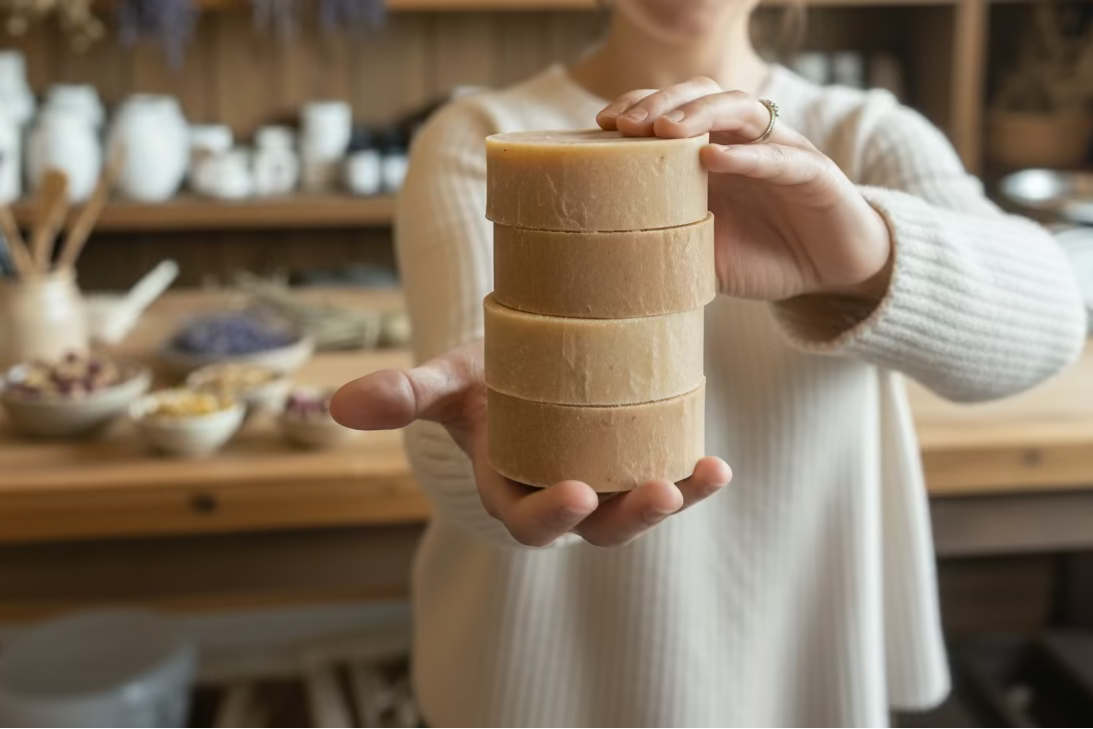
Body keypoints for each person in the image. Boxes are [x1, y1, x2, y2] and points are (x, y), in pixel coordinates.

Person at [331, 0, 1087, 726]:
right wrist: (497, 435)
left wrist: (866, 258)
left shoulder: (864, 134)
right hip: (541, 673)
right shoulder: (477, 135)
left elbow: (1046, 324)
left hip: (800, 653)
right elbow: (459, 400)